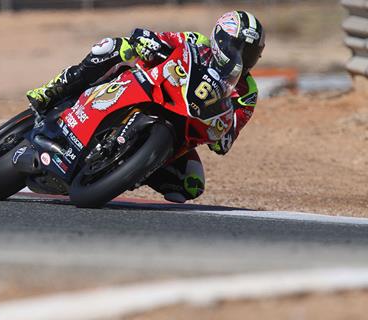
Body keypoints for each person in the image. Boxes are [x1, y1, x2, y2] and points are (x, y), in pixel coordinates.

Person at [26, 11, 265, 203]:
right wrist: (148, 41)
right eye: (237, 46)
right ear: (219, 38)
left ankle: (122, 172)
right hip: (151, 87)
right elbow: (159, 38)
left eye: (250, 51)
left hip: (184, 126)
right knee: (114, 47)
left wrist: (222, 135)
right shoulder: (195, 41)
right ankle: (54, 90)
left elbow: (232, 130)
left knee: (190, 185)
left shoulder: (248, 90)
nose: (241, 55)